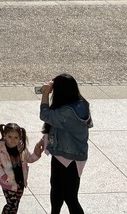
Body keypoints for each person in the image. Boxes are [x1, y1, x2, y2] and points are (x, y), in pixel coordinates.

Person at [39, 73, 93, 214]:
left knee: (70, 197)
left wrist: (45, 93)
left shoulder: (68, 111)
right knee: (57, 189)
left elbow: (45, 115)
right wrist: (44, 139)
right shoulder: (80, 103)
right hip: (63, 154)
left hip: (69, 157)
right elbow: (58, 125)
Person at [0, 122, 43, 214]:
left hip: (20, 182)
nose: (13, 140)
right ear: (4, 135)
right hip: (8, 183)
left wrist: (37, 153)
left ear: (20, 138)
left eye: (16, 137)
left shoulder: (22, 148)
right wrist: (3, 176)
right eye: (10, 137)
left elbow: (29, 159)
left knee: (15, 205)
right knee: (11, 204)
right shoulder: (0, 150)